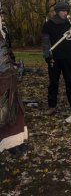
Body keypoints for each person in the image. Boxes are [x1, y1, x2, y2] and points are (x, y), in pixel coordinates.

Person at [41, 2, 71, 115]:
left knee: (70, 82)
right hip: (54, 58)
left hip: (68, 57)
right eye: (63, 11)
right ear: (57, 12)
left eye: (66, 11)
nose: (65, 13)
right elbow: (45, 42)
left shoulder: (70, 24)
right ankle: (52, 106)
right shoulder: (48, 25)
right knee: (53, 83)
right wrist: (47, 56)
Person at [0, 18, 28, 155]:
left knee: (14, 111)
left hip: (9, 77)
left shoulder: (3, 30)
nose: (2, 18)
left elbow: (8, 54)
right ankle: (8, 144)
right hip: (2, 79)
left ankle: (15, 143)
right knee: (3, 113)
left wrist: (14, 65)